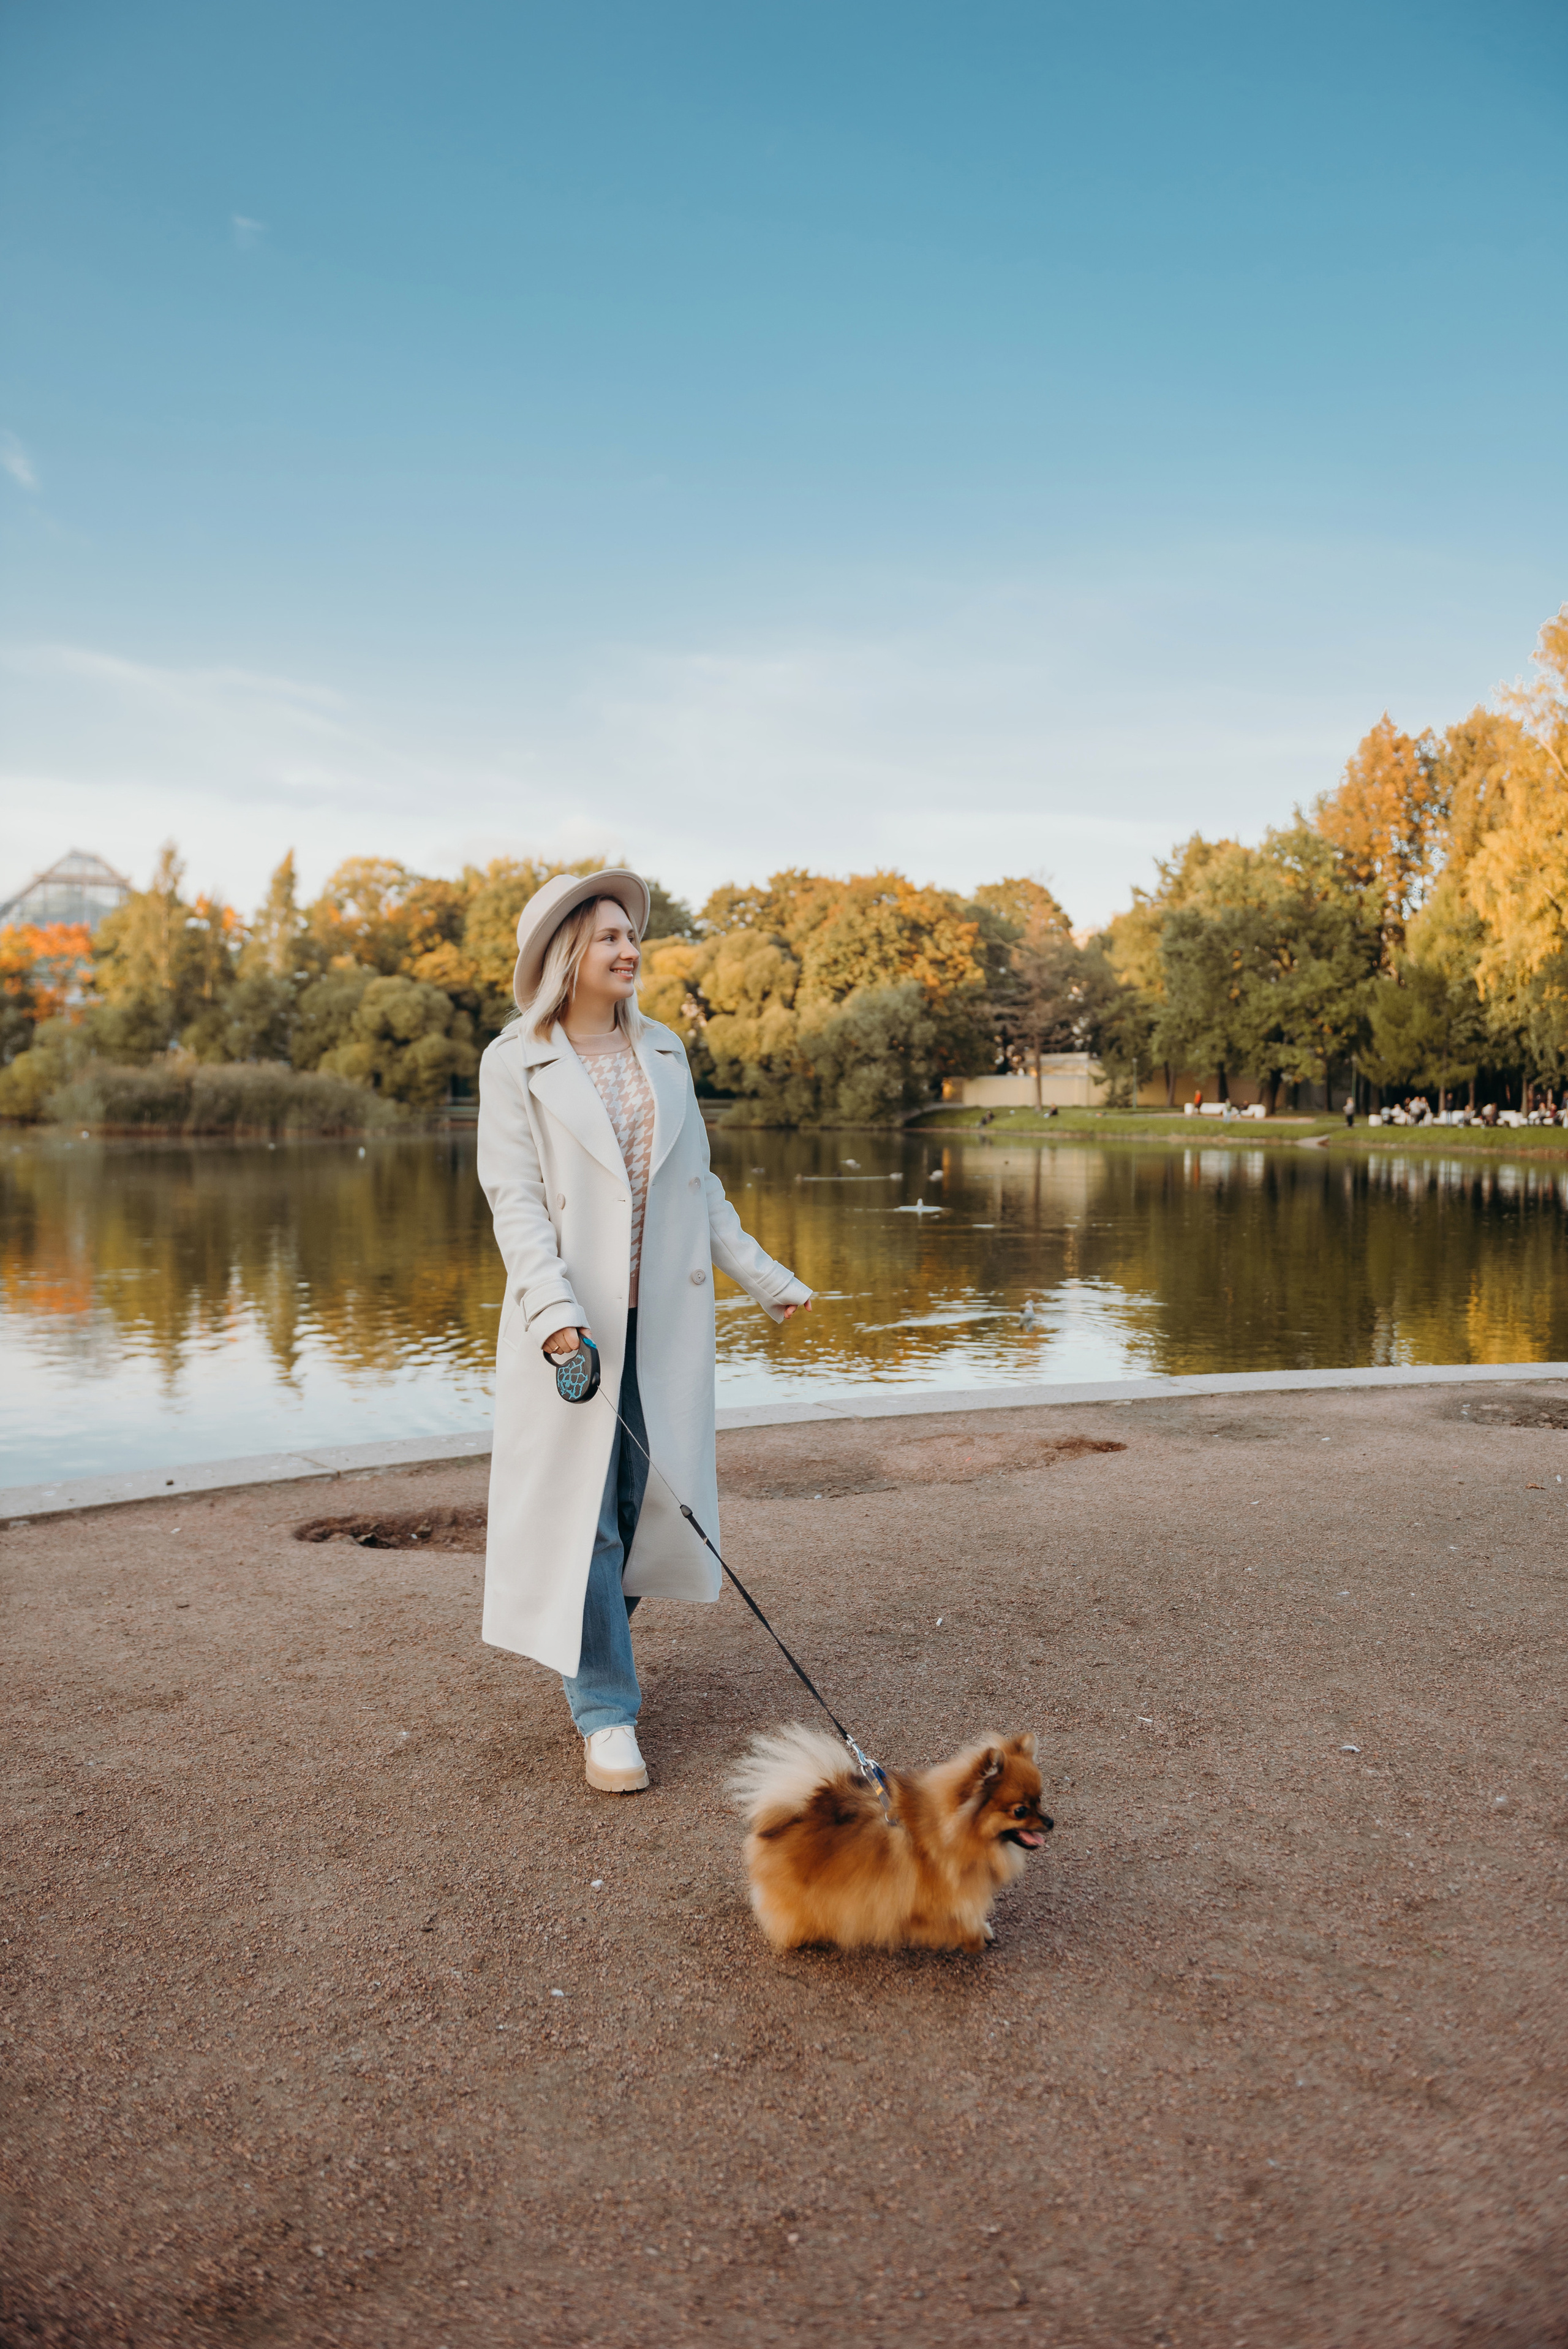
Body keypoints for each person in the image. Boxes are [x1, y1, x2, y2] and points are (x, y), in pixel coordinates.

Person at [476, 869, 812, 1795]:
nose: (630, 951)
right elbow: (518, 1207)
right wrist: (555, 1324)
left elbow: (697, 1188)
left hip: (659, 1322)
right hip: (573, 1333)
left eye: (633, 936)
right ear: (564, 956)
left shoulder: (664, 1051)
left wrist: (766, 1279)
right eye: (610, 937)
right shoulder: (516, 1061)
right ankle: (607, 1710)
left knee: (639, 1512)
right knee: (582, 1520)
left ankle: (586, 1644)